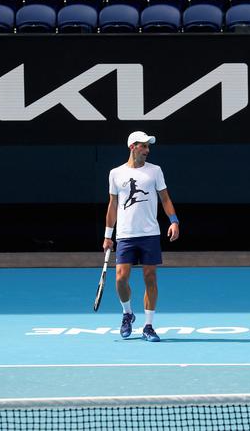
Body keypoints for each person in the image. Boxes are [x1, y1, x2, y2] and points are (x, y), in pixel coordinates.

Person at [103, 131, 180, 342]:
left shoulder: (155, 171)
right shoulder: (115, 173)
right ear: (132, 147)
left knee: (150, 278)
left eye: (148, 147)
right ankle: (127, 313)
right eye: (143, 146)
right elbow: (113, 205)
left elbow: (165, 199)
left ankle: (148, 326)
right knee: (120, 279)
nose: (147, 150)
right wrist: (108, 235)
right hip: (125, 235)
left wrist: (174, 221)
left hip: (149, 235)